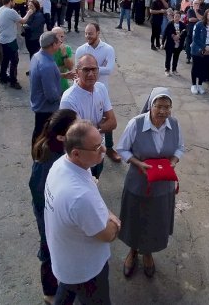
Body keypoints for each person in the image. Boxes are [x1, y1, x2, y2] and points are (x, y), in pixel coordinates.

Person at [44, 121, 121, 305]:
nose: (103, 150)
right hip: (86, 271)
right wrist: (115, 221)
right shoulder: (79, 197)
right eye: (96, 147)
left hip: (66, 260)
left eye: (101, 142)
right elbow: (108, 234)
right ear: (76, 153)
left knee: (66, 290)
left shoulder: (60, 165)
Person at [117, 87, 184, 278]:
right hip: (138, 183)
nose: (163, 111)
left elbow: (180, 148)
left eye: (167, 107)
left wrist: (172, 162)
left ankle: (148, 253)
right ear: (150, 105)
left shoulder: (174, 124)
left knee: (155, 220)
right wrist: (138, 163)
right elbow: (122, 149)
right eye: (159, 106)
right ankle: (133, 252)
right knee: (135, 218)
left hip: (163, 185)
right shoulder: (136, 124)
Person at [28, 109, 78, 303]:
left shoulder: (57, 149)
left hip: (53, 216)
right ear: (61, 136)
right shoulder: (49, 161)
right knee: (49, 252)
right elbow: (40, 195)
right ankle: (49, 293)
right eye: (75, 126)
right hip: (49, 219)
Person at [60, 55, 118, 179]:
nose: (91, 74)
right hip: (82, 157)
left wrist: (90, 129)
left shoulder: (101, 88)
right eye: (86, 70)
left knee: (96, 178)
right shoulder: (69, 99)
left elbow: (113, 123)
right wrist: (101, 125)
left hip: (99, 152)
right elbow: (77, 138)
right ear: (77, 72)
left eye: (94, 69)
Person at [74, 23, 120, 162]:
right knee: (85, 119)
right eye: (86, 33)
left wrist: (88, 68)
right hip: (84, 91)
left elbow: (110, 69)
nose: (88, 36)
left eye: (91, 33)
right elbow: (78, 72)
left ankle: (110, 148)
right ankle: (88, 147)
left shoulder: (108, 49)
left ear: (98, 33)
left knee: (107, 118)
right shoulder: (81, 50)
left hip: (102, 90)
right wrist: (100, 67)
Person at [29, 31, 65, 142]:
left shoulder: (38, 56)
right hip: (46, 109)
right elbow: (51, 96)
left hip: (38, 104)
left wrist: (60, 75)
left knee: (38, 133)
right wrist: (63, 98)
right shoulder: (47, 65)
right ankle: (39, 158)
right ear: (53, 45)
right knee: (44, 138)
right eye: (59, 41)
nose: (61, 43)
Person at [0, 0, 33, 89]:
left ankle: (3, 77)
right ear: (10, 1)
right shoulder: (10, 11)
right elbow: (23, 21)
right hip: (10, 40)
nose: (14, 3)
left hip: (1, 39)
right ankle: (13, 81)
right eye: (13, 1)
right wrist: (29, 12)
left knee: (4, 60)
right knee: (14, 60)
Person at [190, 9, 209, 94]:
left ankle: (200, 85)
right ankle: (194, 85)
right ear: (206, 15)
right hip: (197, 50)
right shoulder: (199, 25)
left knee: (203, 69)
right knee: (196, 68)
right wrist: (204, 47)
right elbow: (195, 38)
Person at [163, 10, 186, 77]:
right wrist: (163, 43)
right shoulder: (170, 24)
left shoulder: (182, 25)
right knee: (168, 57)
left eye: (179, 16)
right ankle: (167, 70)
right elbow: (166, 33)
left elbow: (185, 33)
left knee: (176, 57)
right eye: (176, 16)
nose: (177, 18)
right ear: (173, 17)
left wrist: (179, 37)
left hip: (178, 44)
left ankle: (174, 70)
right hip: (170, 44)